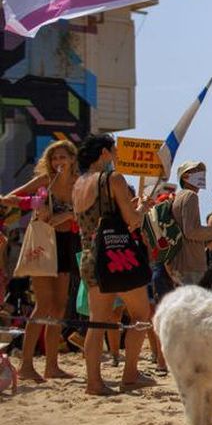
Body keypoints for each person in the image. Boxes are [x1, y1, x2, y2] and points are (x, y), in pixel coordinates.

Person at [71, 134, 155, 396]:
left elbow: (97, 217)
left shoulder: (78, 184)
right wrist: (141, 209)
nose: (117, 156)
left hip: (89, 255)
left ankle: (93, 383)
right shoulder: (113, 179)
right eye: (114, 151)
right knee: (141, 316)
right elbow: (131, 221)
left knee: (97, 322)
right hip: (117, 255)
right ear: (104, 153)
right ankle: (130, 374)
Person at [1, 140, 79, 383]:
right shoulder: (45, 180)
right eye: (54, 158)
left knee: (59, 306)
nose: (58, 163)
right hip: (44, 242)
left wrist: (68, 214)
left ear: (72, 160)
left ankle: (52, 365)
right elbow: (11, 197)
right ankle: (26, 365)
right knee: (43, 305)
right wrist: (36, 205)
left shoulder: (79, 184)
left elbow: (87, 212)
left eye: (62, 158)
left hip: (66, 243)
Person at [167, 161, 212, 287]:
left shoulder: (179, 197)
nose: (201, 174)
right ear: (185, 177)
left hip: (181, 264)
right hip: (190, 265)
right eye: (195, 171)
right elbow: (192, 231)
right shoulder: (190, 196)